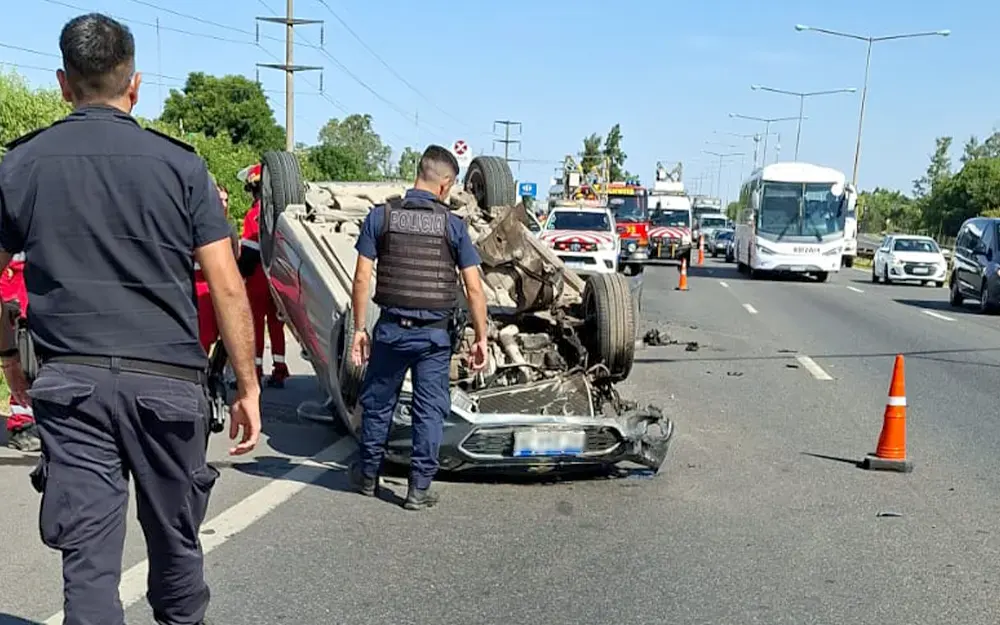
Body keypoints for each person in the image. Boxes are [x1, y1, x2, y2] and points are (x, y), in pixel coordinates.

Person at [0, 13, 260, 625]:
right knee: (176, 547)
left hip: (72, 387)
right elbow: (226, 285)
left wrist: (9, 357)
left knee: (88, 565)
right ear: (135, 85)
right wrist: (247, 383)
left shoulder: (22, 166)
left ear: (64, 84)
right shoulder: (181, 167)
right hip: (168, 386)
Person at [348, 144, 489, 510]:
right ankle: (418, 489)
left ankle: (367, 477)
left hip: (391, 330)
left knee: (379, 404)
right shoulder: (453, 226)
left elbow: (362, 279)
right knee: (429, 410)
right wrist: (482, 338)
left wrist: (359, 330)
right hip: (433, 337)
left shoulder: (381, 217)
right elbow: (474, 288)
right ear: (444, 185)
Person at [237, 163, 289, 387]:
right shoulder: (282, 214)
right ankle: (280, 370)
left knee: (255, 325)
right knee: (276, 326)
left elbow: (249, 252)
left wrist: (239, 275)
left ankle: (256, 371)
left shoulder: (253, 215)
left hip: (257, 278)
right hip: (278, 279)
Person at [0, 253, 39, 451]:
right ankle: (23, 421)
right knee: (19, 339)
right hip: (12, 269)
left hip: (31, 267)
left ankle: (30, 416)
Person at [196, 180, 240, 353]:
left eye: (226, 200)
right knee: (205, 334)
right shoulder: (197, 224)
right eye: (219, 199)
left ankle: (217, 370)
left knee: (227, 332)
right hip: (200, 284)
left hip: (222, 284)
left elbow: (236, 256)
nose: (223, 203)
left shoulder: (229, 227)